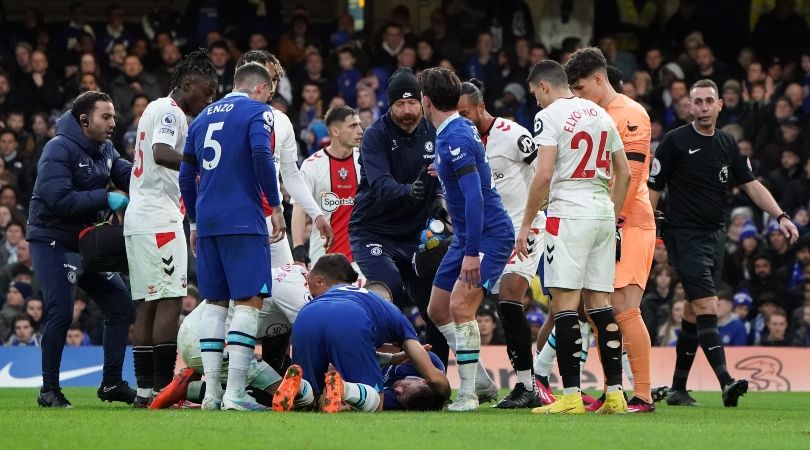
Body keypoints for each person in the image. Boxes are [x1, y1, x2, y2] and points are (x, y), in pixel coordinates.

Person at [648, 78, 799, 408]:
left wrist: (781, 216)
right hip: (683, 235)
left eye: (708, 101)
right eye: (697, 102)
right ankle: (727, 382)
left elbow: (752, 185)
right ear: (689, 107)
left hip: (715, 236)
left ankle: (677, 388)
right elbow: (653, 187)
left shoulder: (727, 144)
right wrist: (647, 226)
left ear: (720, 106)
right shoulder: (674, 142)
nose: (703, 107)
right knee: (707, 305)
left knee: (692, 308)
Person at [518, 60, 631, 415]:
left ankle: (569, 396)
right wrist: (612, 217)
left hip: (568, 214)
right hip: (601, 213)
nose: (536, 101)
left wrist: (526, 224)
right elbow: (624, 173)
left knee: (564, 306)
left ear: (545, 86)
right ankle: (615, 394)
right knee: (600, 305)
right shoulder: (600, 114)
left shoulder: (548, 117)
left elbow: (544, 174)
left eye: (536, 93)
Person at [178, 62, 285, 411]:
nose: (270, 98)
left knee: (215, 303)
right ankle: (235, 394)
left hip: (207, 221)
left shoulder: (203, 116)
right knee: (249, 301)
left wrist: (194, 221)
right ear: (261, 88)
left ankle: (211, 395)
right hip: (243, 217)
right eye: (270, 92)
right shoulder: (259, 111)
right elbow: (260, 153)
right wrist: (276, 205)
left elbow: (185, 175)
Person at [27, 90, 135, 408]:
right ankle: (49, 390)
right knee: (61, 309)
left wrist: (151, 176)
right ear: (84, 119)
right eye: (107, 116)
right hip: (52, 240)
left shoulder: (106, 149)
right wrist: (106, 198)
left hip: (86, 242)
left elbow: (126, 173)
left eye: (114, 115)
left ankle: (112, 383)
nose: (113, 122)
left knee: (120, 305)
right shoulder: (57, 148)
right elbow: (58, 199)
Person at [564, 48, 657, 412]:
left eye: (581, 85)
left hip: (629, 221)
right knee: (597, 309)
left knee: (623, 307)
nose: (577, 93)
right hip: (602, 222)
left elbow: (631, 177)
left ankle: (644, 395)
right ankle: (614, 390)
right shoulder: (587, 116)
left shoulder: (632, 114)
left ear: (599, 79)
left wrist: (612, 220)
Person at [124, 49, 218, 408]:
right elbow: (162, 152)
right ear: (188, 83)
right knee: (169, 300)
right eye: (206, 93)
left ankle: (146, 392)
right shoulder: (170, 112)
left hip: (143, 215)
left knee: (149, 303)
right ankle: (165, 389)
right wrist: (202, 162)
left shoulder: (153, 107)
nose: (207, 101)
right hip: (158, 218)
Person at [419, 67, 514, 412]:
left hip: (487, 235)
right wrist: (442, 168)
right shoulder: (457, 131)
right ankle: (484, 382)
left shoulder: (454, 137)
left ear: (425, 101)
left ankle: (469, 395)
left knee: (460, 307)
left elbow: (473, 196)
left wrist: (472, 252)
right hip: (466, 235)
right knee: (438, 309)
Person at [349, 67, 450, 366]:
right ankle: (376, 365)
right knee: (390, 289)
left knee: (435, 304)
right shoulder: (375, 136)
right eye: (399, 105)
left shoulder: (434, 131)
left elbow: (445, 175)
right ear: (390, 106)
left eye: (412, 103)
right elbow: (379, 184)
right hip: (374, 231)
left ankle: (437, 376)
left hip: (417, 233)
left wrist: (440, 199)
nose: (407, 111)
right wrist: (409, 192)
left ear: (422, 102)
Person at [457, 78, 542, 408]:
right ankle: (523, 381)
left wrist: (530, 222)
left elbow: (545, 175)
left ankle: (527, 385)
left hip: (526, 228)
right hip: (491, 236)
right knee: (471, 302)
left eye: (466, 113)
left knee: (509, 296)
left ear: (481, 107)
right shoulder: (462, 141)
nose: (462, 120)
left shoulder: (514, 134)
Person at [276, 254, 450, 413]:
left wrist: (394, 357)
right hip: (351, 317)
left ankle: (301, 388)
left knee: (309, 403)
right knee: (376, 402)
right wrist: (445, 394)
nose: (398, 389)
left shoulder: (327, 295)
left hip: (306, 315)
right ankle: (343, 388)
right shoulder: (392, 312)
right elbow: (432, 376)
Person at [150, 263, 314, 410]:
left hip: (197, 332)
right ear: (321, 280)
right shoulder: (297, 293)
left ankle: (196, 387)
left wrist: (278, 370)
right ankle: (190, 389)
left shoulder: (295, 277)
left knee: (276, 392)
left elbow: (277, 338)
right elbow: (312, 340)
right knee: (298, 396)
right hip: (209, 342)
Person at [234, 50, 333, 270]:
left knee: (288, 288)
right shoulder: (223, 115)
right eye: (267, 78)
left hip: (271, 217)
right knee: (234, 297)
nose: (271, 86)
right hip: (235, 215)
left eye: (275, 80)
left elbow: (290, 174)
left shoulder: (280, 120)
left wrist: (316, 214)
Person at [292, 106, 364, 277]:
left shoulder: (365, 160)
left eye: (359, 125)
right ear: (335, 131)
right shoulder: (312, 165)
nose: (360, 131)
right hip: (323, 259)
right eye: (353, 126)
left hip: (361, 259)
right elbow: (299, 209)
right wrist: (298, 249)